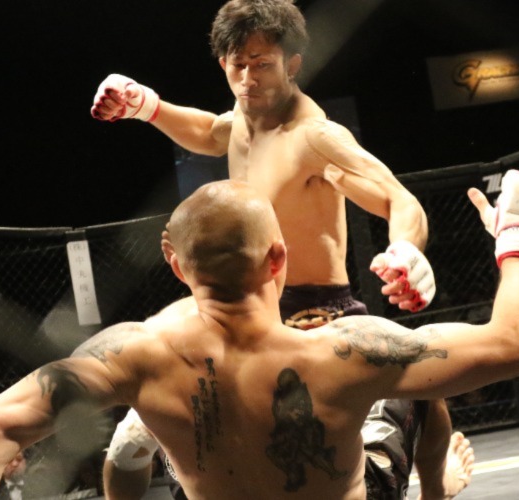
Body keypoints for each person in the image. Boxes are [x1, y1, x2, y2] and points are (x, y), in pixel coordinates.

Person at [0, 172, 519, 499]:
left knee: (135, 433)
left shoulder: (134, 352)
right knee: (417, 395)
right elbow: (515, 345)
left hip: (197, 459)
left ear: (175, 264)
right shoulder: (346, 349)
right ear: (278, 258)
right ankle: (436, 492)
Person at [90, 1, 459, 498]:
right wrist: (148, 107)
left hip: (316, 314)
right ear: (223, 63)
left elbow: (398, 198)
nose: (248, 78)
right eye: (237, 64)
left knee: (423, 385)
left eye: (262, 63)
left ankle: (436, 490)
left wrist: (406, 251)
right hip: (238, 313)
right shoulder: (241, 123)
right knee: (129, 441)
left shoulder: (313, 136)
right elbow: (210, 132)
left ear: (292, 63)